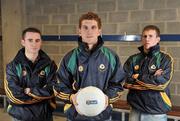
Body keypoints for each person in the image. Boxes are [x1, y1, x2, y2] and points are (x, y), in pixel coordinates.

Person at [54, 12, 125, 121]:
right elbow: (59, 85)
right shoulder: (70, 57)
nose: (89, 31)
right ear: (79, 31)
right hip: (76, 116)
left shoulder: (111, 57)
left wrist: (108, 97)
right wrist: (71, 97)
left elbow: (117, 84)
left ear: (99, 31)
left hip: (102, 116)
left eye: (93, 27)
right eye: (85, 28)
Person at [5, 27, 57, 121]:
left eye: (37, 40)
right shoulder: (12, 66)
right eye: (30, 40)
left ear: (41, 42)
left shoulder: (50, 65)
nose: (34, 44)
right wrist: (40, 95)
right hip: (20, 116)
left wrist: (29, 91)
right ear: (23, 42)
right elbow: (13, 94)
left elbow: (52, 90)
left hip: (44, 115)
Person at [123, 25, 174, 121]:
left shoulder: (165, 59)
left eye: (150, 36)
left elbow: (161, 84)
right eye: (144, 36)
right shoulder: (133, 59)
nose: (147, 39)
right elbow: (125, 81)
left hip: (156, 112)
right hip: (135, 110)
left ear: (158, 39)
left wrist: (136, 76)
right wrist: (151, 78)